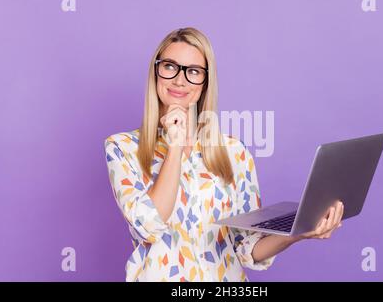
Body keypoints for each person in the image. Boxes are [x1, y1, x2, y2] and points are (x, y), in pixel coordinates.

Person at [104, 27, 344, 282]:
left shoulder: (234, 152)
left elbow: (246, 247)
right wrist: (174, 146)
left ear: (205, 83)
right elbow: (148, 226)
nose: (180, 80)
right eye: (170, 66)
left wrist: (299, 232)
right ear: (156, 71)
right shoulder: (122, 148)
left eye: (193, 71)